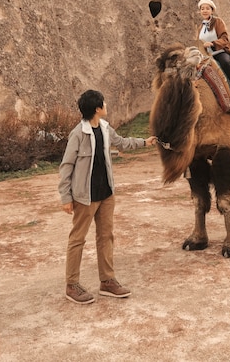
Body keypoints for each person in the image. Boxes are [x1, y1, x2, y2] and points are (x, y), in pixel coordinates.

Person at [58, 89, 157, 305]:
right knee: (77, 240)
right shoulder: (78, 134)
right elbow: (66, 166)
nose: (106, 105)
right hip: (85, 197)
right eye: (104, 103)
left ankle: (107, 281)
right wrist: (66, 197)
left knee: (106, 237)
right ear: (97, 108)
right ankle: (71, 285)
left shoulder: (104, 127)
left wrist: (145, 142)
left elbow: (122, 143)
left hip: (106, 194)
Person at [197, 0, 230, 110]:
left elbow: (224, 38)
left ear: (212, 11)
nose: (204, 11)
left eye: (207, 8)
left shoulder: (218, 22)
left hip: (220, 52)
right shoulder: (200, 27)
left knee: (225, 63)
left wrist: (212, 43)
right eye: (202, 9)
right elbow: (199, 43)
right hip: (206, 56)